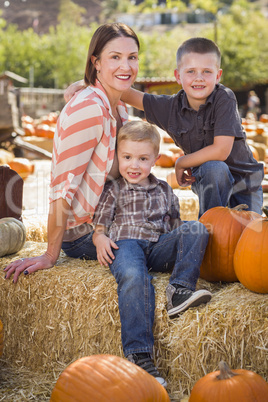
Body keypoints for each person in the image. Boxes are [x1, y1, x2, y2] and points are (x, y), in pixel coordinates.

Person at [64, 37, 264, 218]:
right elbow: (126, 93)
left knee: (248, 241)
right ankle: (210, 231)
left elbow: (221, 150)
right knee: (214, 170)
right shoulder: (170, 108)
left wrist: (181, 162)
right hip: (211, 179)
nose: (199, 78)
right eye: (191, 71)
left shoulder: (224, 97)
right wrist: (87, 83)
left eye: (207, 72)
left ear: (218, 75)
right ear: (178, 76)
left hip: (244, 184)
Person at [4, 22, 140, 283]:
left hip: (114, 220)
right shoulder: (89, 109)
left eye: (132, 57)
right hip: (85, 234)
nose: (126, 66)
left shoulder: (120, 108)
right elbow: (62, 187)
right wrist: (49, 255)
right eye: (115, 57)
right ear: (96, 62)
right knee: (174, 245)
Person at [91, 120, 211, 386]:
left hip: (157, 246)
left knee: (197, 228)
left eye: (142, 158)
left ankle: (178, 290)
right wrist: (99, 238)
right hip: (126, 244)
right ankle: (139, 354)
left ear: (156, 159)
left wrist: (183, 239)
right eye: (127, 157)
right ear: (118, 157)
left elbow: (174, 226)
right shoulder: (114, 189)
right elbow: (99, 226)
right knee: (134, 276)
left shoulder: (165, 190)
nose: (134, 165)